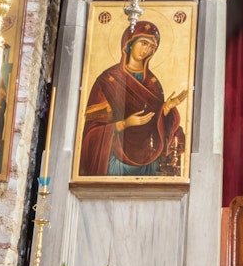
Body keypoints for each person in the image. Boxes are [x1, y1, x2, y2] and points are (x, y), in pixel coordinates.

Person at [79, 20, 189, 176]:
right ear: (129, 43)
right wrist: (124, 124)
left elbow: (156, 124)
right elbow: (93, 129)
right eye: (144, 43)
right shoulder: (107, 80)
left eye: (152, 47)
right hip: (116, 157)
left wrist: (166, 110)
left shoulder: (153, 83)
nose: (147, 50)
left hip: (149, 159)